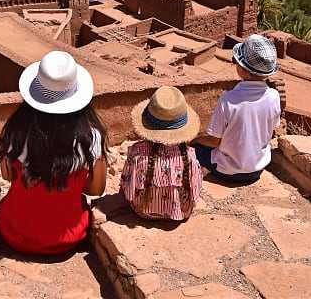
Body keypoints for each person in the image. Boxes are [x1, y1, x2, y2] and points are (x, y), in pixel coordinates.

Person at [0, 50, 108, 255]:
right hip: (67, 238)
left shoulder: (15, 132)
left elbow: (7, 176)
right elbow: (95, 190)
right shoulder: (91, 138)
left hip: (14, 232)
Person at [192, 34, 283, 185]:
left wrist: (195, 139)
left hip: (228, 172)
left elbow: (214, 141)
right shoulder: (274, 96)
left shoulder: (228, 100)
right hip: (257, 169)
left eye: (236, 61)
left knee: (194, 148)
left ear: (243, 69)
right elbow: (272, 129)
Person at [120, 86, 203, 221]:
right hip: (182, 212)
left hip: (143, 211)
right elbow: (195, 190)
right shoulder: (189, 155)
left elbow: (127, 189)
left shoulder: (137, 152)